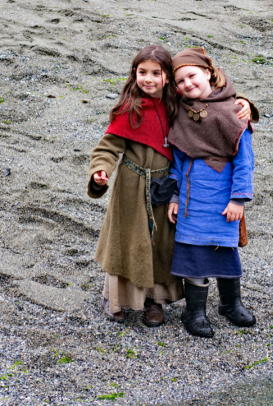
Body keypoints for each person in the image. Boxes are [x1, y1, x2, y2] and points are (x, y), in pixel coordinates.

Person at [88, 45, 253, 328]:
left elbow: (213, 99)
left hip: (166, 185)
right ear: (134, 74)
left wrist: (245, 101)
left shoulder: (176, 104)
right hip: (131, 185)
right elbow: (108, 146)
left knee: (161, 243)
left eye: (156, 73)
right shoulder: (129, 108)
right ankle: (114, 298)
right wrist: (100, 170)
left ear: (166, 78)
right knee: (126, 240)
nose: (149, 79)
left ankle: (156, 301)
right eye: (142, 73)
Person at [168, 48, 258, 338]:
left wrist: (238, 199)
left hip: (223, 201)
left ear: (207, 72)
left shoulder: (233, 111)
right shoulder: (180, 113)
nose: (186, 84)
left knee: (224, 250)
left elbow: (245, 162)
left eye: (191, 75)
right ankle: (194, 312)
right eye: (179, 81)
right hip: (191, 201)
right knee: (194, 255)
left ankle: (230, 304)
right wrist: (173, 197)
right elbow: (177, 161)